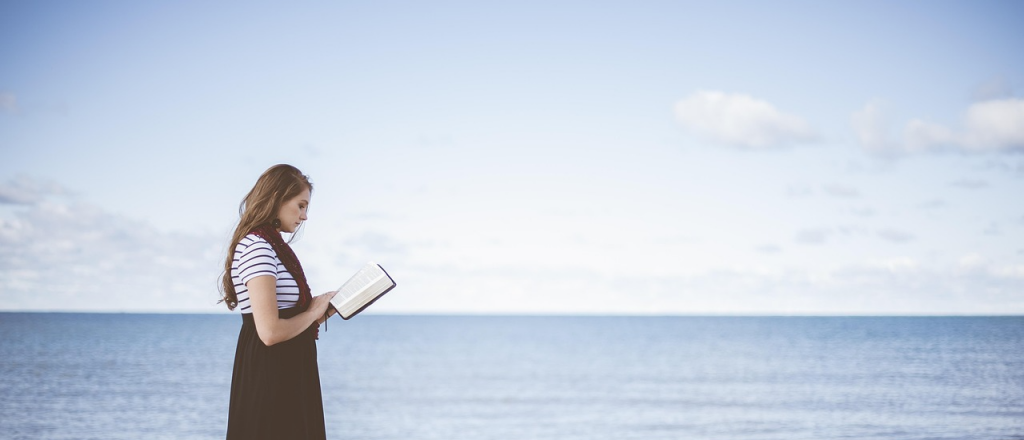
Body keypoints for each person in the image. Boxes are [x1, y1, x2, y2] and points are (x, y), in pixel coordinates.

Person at [220, 164, 337, 440]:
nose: (304, 216)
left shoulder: (271, 246)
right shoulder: (257, 246)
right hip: (271, 375)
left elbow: (285, 318)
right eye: (300, 205)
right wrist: (312, 313)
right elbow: (270, 332)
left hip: (288, 371)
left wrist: (322, 312)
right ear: (277, 198)